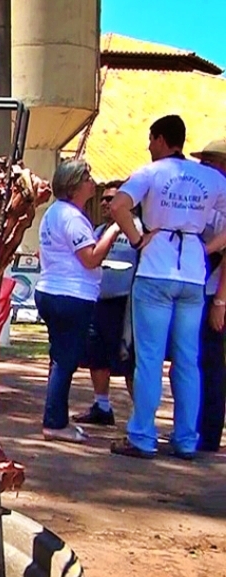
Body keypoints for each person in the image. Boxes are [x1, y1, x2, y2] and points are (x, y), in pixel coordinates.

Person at [109, 115, 226, 460]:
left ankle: (143, 436)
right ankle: (186, 438)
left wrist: (136, 237)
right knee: (188, 359)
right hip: (192, 270)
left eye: (151, 139)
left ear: (161, 140)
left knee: (149, 357)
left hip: (157, 265)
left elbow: (117, 205)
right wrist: (209, 247)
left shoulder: (151, 172)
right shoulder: (210, 177)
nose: (149, 146)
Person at [33, 158, 120, 443]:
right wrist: (114, 230)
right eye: (86, 178)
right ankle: (55, 423)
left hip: (51, 291)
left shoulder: (53, 215)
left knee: (59, 357)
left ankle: (56, 416)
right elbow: (91, 258)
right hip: (71, 296)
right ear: (74, 186)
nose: (92, 182)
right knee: (65, 360)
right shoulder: (72, 218)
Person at [73, 180, 139, 426]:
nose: (105, 203)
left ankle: (141, 414)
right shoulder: (98, 230)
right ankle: (101, 406)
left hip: (126, 305)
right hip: (98, 302)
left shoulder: (138, 230)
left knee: (129, 360)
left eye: (111, 199)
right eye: (104, 199)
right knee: (96, 355)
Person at [193, 139, 226, 453]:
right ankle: (198, 426)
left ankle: (209, 433)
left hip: (214, 292)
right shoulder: (209, 199)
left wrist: (219, 300)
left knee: (212, 363)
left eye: (210, 162)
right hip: (201, 288)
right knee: (198, 361)